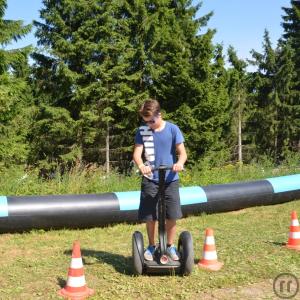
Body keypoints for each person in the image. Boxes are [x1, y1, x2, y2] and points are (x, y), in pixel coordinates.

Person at [133, 99, 187, 261]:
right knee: (151, 215)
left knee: (172, 214)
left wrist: (179, 163)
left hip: (170, 178)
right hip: (151, 178)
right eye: (145, 121)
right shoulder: (142, 131)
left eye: (151, 120)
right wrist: (142, 165)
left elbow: (182, 153)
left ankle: (170, 246)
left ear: (159, 114)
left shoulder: (172, 129)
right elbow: (137, 154)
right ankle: (151, 245)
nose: (148, 123)